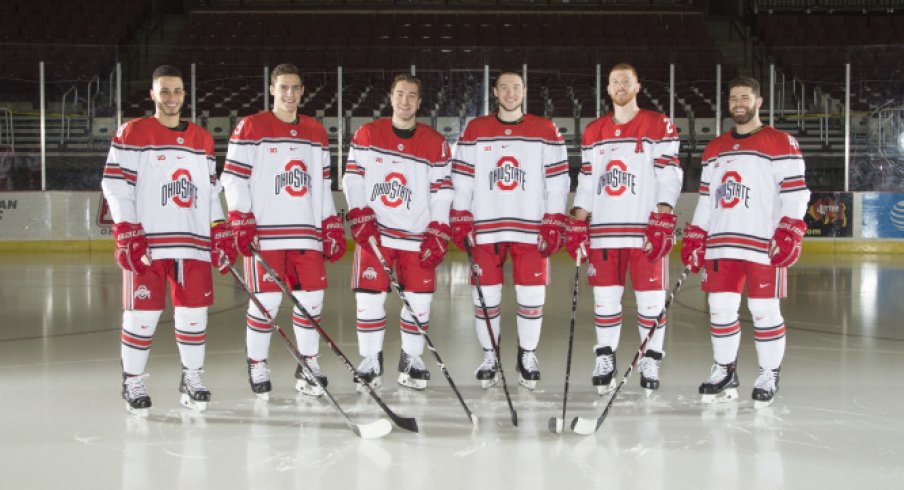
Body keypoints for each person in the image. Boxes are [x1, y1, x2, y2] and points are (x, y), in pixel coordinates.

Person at [101, 65, 236, 416]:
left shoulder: (202, 139)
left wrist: (219, 227)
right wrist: (126, 229)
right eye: (165, 91)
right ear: (152, 94)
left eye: (177, 91)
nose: (171, 98)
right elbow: (115, 185)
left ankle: (192, 377)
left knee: (193, 314)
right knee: (141, 315)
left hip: (192, 242)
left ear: (184, 95)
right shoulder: (132, 132)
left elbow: (210, 191)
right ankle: (132, 380)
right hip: (148, 244)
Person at [681, 75, 810, 408]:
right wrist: (696, 234)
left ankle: (769, 372)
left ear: (758, 102)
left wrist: (790, 228)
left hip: (763, 243)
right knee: (720, 309)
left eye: (745, 97)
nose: (738, 103)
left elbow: (796, 192)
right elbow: (707, 199)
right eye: (733, 98)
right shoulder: (715, 148)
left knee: (764, 309)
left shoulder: (781, 142)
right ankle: (725, 369)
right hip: (722, 242)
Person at [221, 63, 345, 400]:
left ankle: (308, 365)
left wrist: (330, 222)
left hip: (305, 232)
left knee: (312, 302)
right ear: (272, 89)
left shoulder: (316, 131)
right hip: (266, 233)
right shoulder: (251, 126)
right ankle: (257, 363)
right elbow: (232, 178)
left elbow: (321, 184)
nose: (290, 94)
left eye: (295, 88)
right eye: (283, 88)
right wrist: (240, 218)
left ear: (302, 91)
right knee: (266, 302)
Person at [566, 63, 682, 395]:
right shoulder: (594, 131)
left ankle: (651, 357)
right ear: (607, 89)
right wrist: (577, 221)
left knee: (650, 302)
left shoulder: (658, 124)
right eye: (615, 81)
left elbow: (669, 174)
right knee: (605, 302)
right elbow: (586, 182)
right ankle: (605, 356)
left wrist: (663, 214)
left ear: (637, 86)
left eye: (626, 81)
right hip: (603, 232)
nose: (620, 86)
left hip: (644, 231)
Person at [450, 69, 569, 390]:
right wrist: (460, 213)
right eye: (504, 88)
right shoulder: (476, 128)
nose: (510, 93)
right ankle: (490, 355)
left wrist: (554, 218)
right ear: (495, 92)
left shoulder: (545, 129)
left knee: (532, 295)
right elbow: (461, 178)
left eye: (515, 87)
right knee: (484, 296)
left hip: (531, 228)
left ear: (525, 91)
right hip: (485, 227)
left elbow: (558, 182)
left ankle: (527, 354)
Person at [342, 73, 453, 391]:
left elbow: (442, 192)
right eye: (400, 94)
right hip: (375, 236)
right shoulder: (368, 133)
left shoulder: (435, 143)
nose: (405, 101)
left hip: (416, 238)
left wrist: (439, 228)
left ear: (419, 102)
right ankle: (370, 360)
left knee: (419, 304)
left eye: (412, 96)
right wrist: (359, 212)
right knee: (369, 302)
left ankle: (411, 359)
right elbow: (353, 178)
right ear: (391, 98)